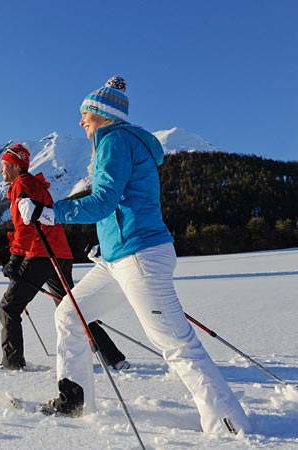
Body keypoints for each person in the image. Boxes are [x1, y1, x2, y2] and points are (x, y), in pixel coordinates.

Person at [17, 77, 252, 434]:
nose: (81, 121)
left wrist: (49, 212)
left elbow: (104, 201)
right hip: (118, 259)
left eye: (86, 115)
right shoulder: (117, 142)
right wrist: (105, 244)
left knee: (174, 343)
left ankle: (229, 425)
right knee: (69, 315)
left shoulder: (114, 140)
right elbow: (120, 203)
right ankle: (75, 400)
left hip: (140, 255)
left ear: (102, 114)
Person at [0, 143, 129, 372]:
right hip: (59, 254)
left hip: (41, 254)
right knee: (72, 308)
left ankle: (12, 363)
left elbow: (26, 228)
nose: (1, 171)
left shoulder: (22, 186)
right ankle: (113, 357)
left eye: (5, 166)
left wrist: (15, 259)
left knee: (9, 307)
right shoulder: (35, 185)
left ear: (17, 167)